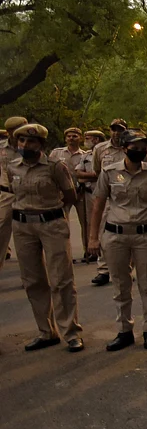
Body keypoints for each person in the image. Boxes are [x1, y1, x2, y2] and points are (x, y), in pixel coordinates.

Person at [88, 129, 147, 351]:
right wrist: (93, 238)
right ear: (125, 149)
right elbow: (97, 205)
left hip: (146, 235)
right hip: (116, 235)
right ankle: (124, 330)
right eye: (135, 147)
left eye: (144, 147)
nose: (140, 151)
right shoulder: (109, 172)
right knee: (120, 285)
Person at [5, 123, 84, 353]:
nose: (24, 145)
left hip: (51, 224)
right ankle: (46, 331)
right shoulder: (13, 167)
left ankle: (70, 332)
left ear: (41, 144)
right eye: (21, 141)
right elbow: (12, 192)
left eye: (30, 142)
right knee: (33, 281)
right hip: (22, 227)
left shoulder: (54, 167)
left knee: (61, 279)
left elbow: (70, 194)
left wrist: (57, 215)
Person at [82, 119, 129, 286]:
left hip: (127, 197)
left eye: (120, 130)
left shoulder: (131, 146)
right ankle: (103, 270)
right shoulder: (100, 149)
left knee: (126, 232)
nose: (116, 133)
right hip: (106, 195)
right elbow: (96, 170)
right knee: (103, 231)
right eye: (113, 129)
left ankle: (125, 268)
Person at [48, 127, 88, 262]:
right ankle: (66, 254)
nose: (71, 138)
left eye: (75, 136)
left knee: (86, 223)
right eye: (69, 136)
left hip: (81, 193)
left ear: (80, 138)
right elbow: (49, 171)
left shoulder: (85, 155)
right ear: (65, 138)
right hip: (62, 194)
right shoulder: (56, 153)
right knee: (62, 224)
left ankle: (88, 251)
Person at [75, 130, 106, 264]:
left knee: (104, 223)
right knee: (88, 223)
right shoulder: (86, 155)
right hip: (88, 192)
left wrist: (91, 176)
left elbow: (105, 175)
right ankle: (89, 251)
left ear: (97, 140)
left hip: (105, 193)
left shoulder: (106, 153)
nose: (85, 140)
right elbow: (78, 172)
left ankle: (104, 253)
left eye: (88, 138)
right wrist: (94, 176)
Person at [0, 116, 24, 274]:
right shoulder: (1, 148)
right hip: (6, 193)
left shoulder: (32, 146)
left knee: (30, 234)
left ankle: (31, 274)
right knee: (1, 228)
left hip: (27, 193)